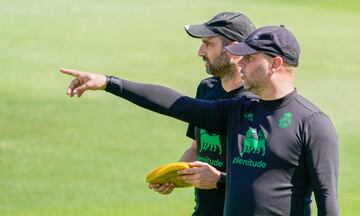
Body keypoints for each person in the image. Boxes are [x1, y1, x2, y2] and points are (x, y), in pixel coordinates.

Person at [60, 25, 339, 215]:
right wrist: (108, 83)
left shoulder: (313, 123)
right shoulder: (237, 111)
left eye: (249, 58)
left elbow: (327, 200)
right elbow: (175, 104)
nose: (239, 64)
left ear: (276, 64)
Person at [147, 12, 255, 216]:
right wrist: (175, 175)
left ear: (234, 48)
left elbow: (262, 177)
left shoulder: (256, 101)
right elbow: (197, 148)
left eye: (208, 44)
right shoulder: (206, 88)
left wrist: (218, 179)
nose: (200, 52)